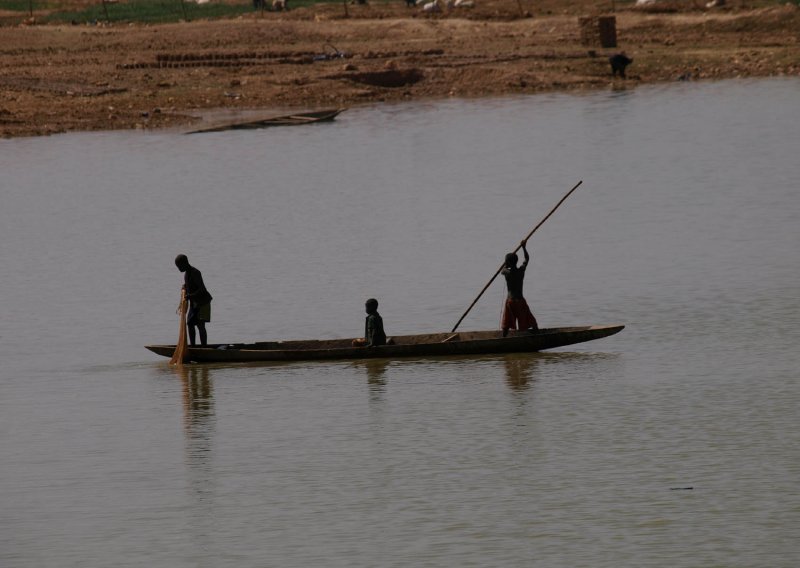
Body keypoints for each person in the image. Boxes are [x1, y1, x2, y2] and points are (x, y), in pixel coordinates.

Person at [500, 240, 538, 337]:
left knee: (506, 323)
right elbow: (527, 259)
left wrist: (506, 263)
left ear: (508, 263)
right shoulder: (521, 271)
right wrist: (524, 247)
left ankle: (503, 338)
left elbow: (502, 269)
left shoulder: (506, 272)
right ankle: (537, 335)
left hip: (510, 302)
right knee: (531, 321)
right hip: (520, 301)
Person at [174, 254, 213, 346]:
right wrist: (185, 287)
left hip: (203, 302)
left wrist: (190, 296)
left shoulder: (195, 273)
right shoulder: (186, 274)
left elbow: (202, 289)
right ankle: (192, 346)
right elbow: (190, 286)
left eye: (179, 266)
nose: (179, 269)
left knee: (200, 325)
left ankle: (204, 347)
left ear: (185, 263)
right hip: (194, 303)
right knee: (190, 324)